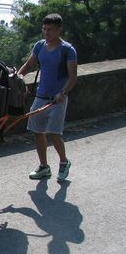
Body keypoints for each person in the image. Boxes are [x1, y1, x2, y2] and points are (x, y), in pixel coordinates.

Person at [18, 13, 77, 181]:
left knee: (54, 133)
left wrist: (63, 93)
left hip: (57, 99)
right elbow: (29, 65)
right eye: (44, 29)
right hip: (40, 96)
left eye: (50, 30)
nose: (46, 33)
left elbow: (73, 76)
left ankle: (64, 162)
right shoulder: (40, 46)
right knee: (37, 132)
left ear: (59, 30)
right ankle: (44, 167)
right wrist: (19, 77)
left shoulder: (67, 50)